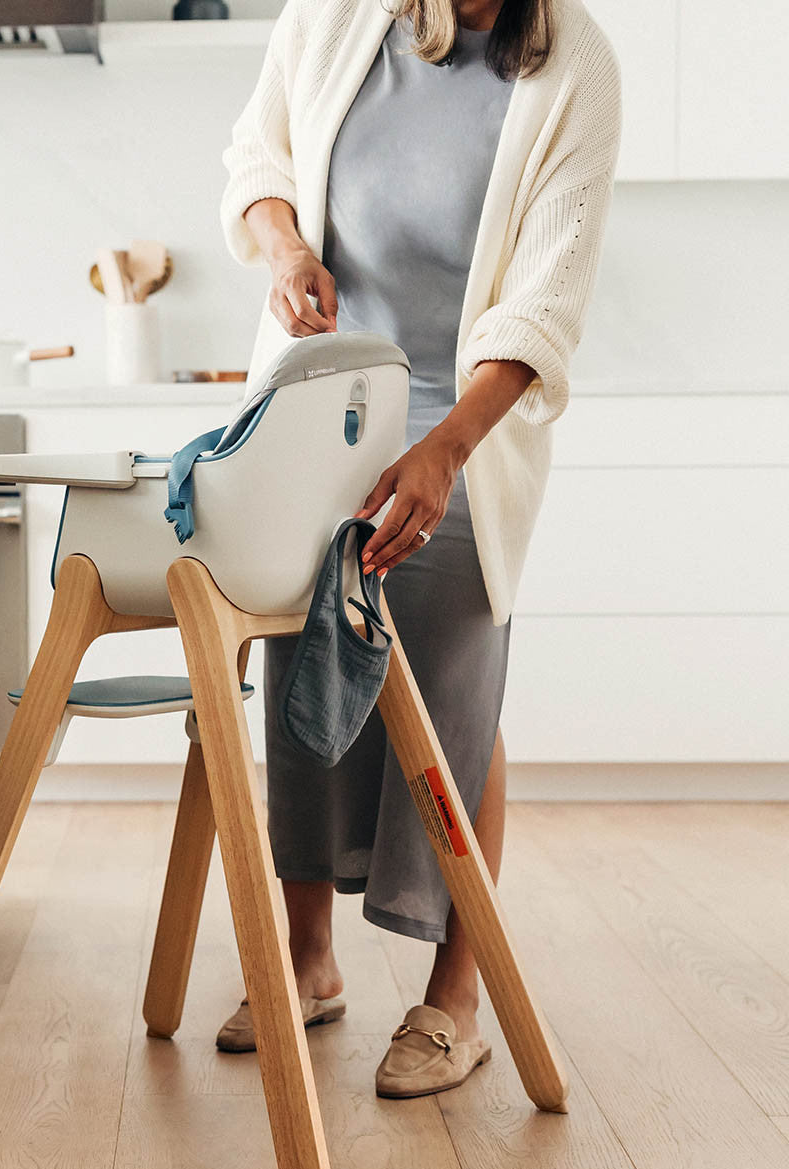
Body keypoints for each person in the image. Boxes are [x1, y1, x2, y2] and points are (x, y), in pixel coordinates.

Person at [214, 0, 621, 1098]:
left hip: (462, 429)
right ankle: (305, 963)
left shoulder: (571, 63)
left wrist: (442, 452)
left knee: (451, 698)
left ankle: (455, 998)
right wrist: (286, 244)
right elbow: (259, 152)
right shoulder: (334, 16)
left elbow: (544, 301)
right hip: (316, 409)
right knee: (301, 672)